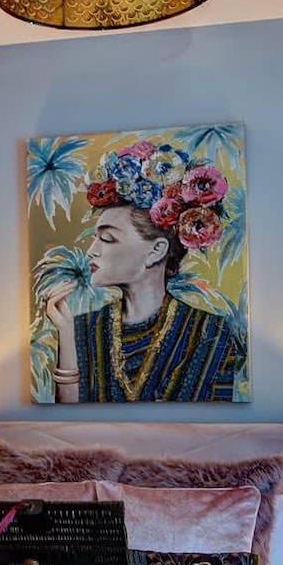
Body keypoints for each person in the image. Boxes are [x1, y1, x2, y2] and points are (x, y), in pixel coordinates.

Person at [43, 143, 243, 403]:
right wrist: (66, 335)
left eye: (108, 239)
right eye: (95, 238)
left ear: (156, 251)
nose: (92, 251)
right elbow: (69, 418)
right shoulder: (81, 328)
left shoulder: (210, 331)